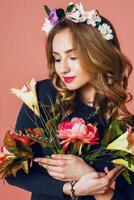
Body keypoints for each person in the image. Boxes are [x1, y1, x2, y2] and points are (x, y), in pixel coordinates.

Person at [6, 2, 134, 200]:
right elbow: (11, 170)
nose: (63, 68)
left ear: (98, 55)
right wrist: (69, 188)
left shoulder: (124, 127)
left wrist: (89, 176)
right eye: (57, 59)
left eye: (72, 57)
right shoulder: (43, 96)